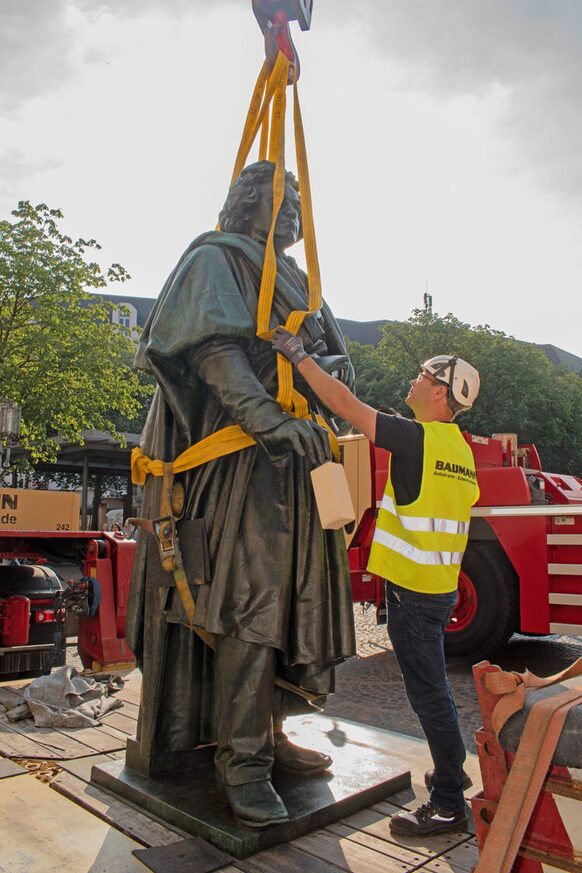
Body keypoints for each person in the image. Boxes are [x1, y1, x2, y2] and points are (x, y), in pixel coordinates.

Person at [126, 161, 356, 828]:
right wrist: (270, 419)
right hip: (242, 463)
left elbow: (329, 361)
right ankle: (242, 760)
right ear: (247, 200)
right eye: (282, 200)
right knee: (251, 609)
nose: (292, 214)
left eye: (299, 204)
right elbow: (213, 353)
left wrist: (322, 372)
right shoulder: (216, 257)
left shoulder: (298, 277)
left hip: (299, 466)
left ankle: (273, 734)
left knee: (294, 609)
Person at [272, 327, 480, 837]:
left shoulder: (416, 438)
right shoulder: (461, 450)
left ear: (439, 391)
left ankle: (451, 800)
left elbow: (345, 403)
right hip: (439, 589)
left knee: (428, 694)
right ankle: (450, 774)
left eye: (422, 376)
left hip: (412, 593)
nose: (412, 381)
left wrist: (297, 355)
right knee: (435, 691)